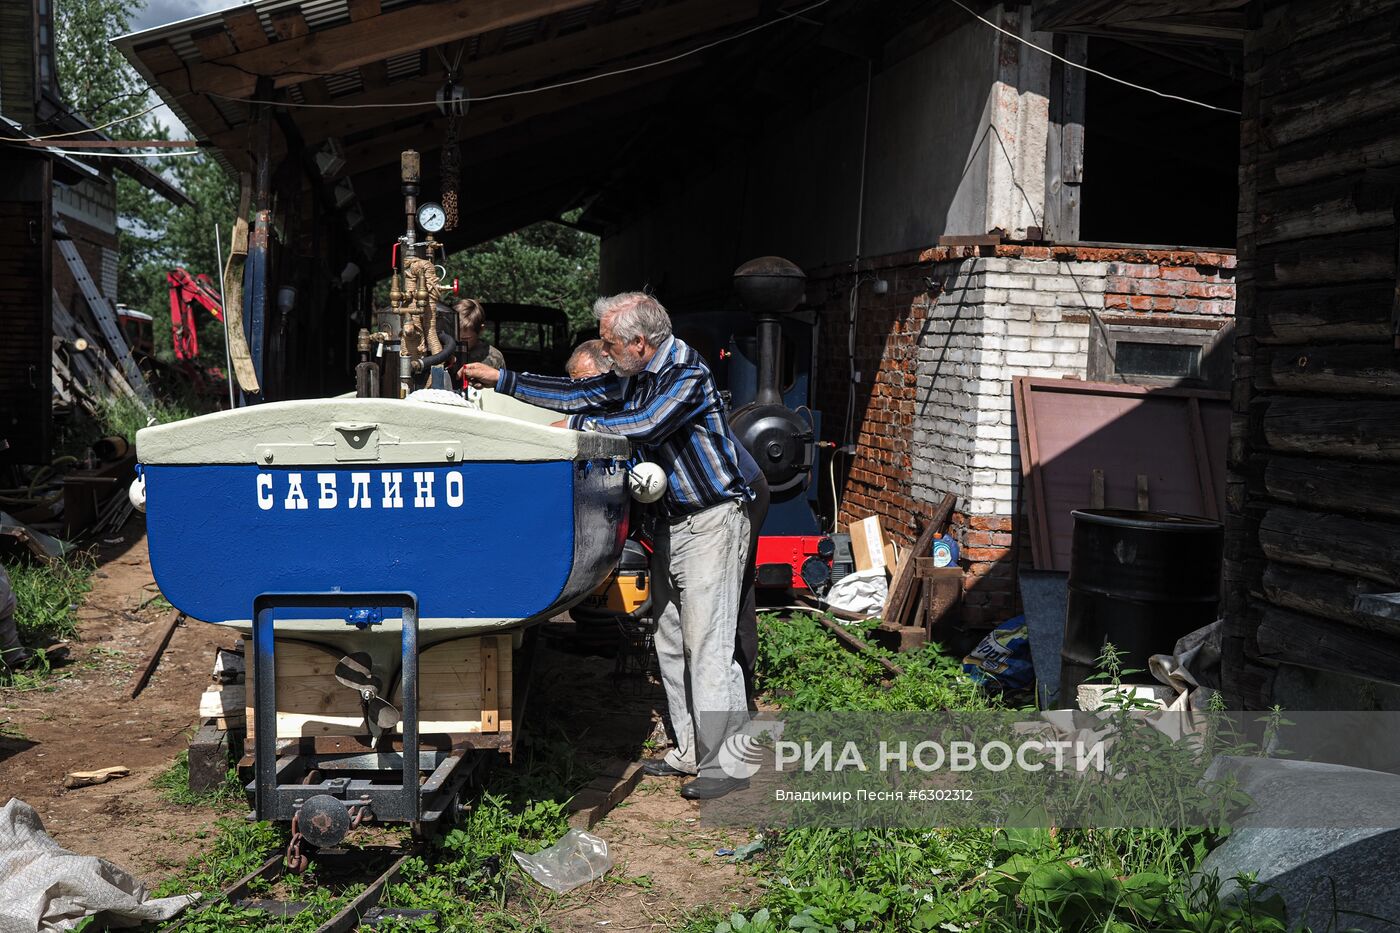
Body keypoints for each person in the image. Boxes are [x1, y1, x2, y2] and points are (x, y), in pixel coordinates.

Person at [461, 292, 753, 799]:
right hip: (673, 524)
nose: (607, 351)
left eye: (612, 343)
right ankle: (690, 750)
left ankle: (726, 766)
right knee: (669, 636)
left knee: (708, 644)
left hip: (711, 522)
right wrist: (503, 382)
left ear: (640, 342)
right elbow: (577, 394)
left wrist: (573, 428)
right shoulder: (636, 374)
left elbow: (643, 426)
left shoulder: (685, 372)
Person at [455, 298, 505, 369]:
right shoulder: (442, 352)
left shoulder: (495, 357)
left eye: (466, 339)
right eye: (456, 336)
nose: (460, 341)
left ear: (481, 329)